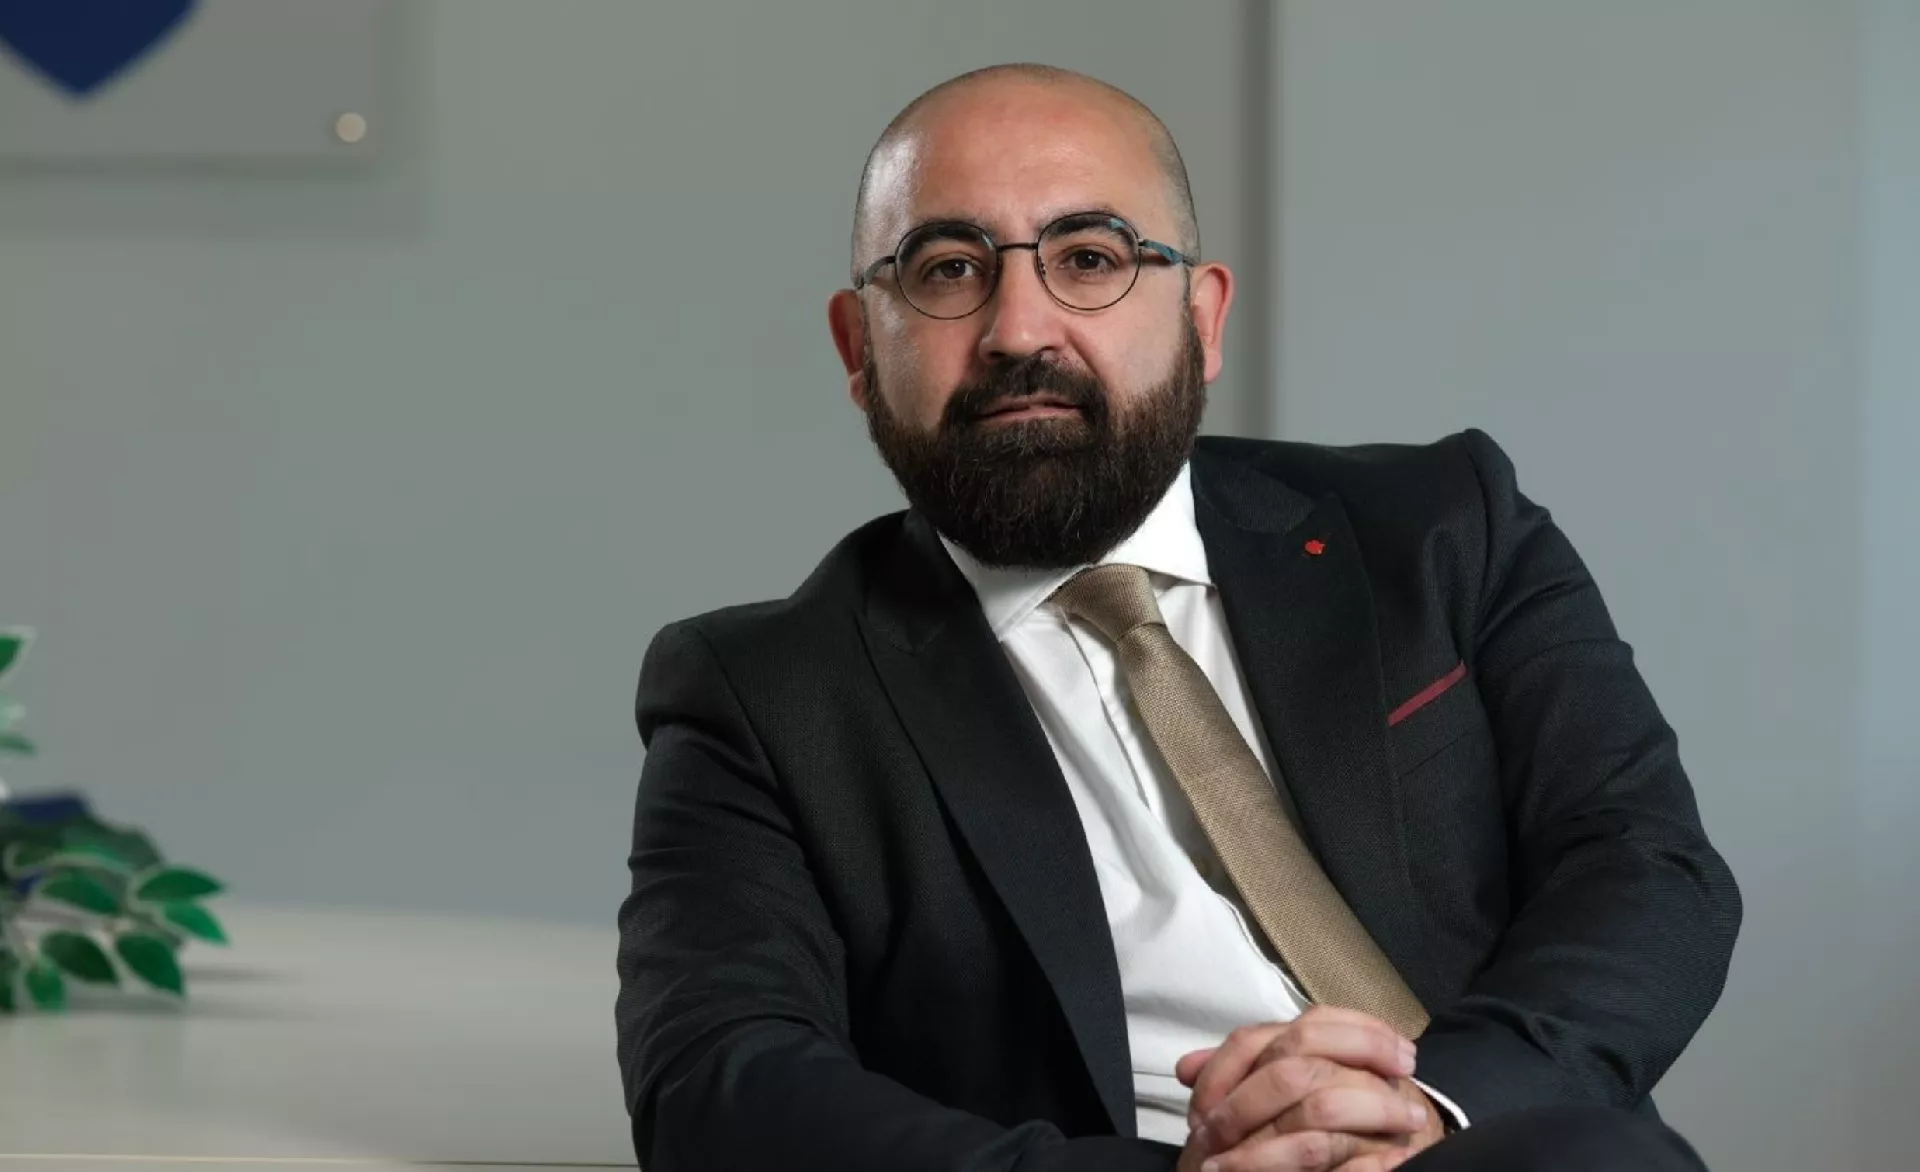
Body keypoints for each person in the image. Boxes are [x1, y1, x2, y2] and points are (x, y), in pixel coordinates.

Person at [614, 63, 1740, 1172]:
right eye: (948, 268)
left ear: (1203, 319)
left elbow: (1647, 865)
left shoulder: (1445, 524)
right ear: (861, 348)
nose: (1019, 328)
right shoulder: (762, 694)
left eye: (1089, 258)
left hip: (1501, 1139)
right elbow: (716, 1078)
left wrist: (1439, 1106)